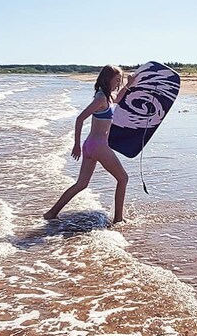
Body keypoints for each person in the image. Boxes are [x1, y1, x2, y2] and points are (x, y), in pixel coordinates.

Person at [44, 65, 132, 224]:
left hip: (91, 145)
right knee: (123, 178)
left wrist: (128, 84)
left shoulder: (106, 96)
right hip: (98, 146)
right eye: (116, 80)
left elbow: (118, 98)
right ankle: (118, 219)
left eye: (120, 80)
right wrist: (75, 145)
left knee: (81, 184)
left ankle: (51, 213)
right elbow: (80, 119)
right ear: (107, 79)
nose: (118, 83)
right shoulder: (100, 98)